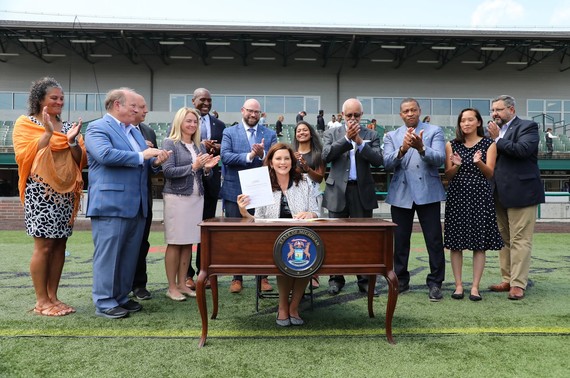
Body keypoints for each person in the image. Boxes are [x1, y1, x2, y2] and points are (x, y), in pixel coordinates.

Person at [85, 88, 171, 319]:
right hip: (111, 203)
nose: (137, 110)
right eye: (132, 105)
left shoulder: (133, 131)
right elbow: (105, 155)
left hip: (137, 203)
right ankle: (104, 301)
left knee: (129, 255)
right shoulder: (97, 127)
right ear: (116, 105)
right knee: (109, 254)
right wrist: (142, 156)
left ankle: (121, 297)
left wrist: (155, 161)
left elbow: (144, 164)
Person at [13, 77, 87, 317]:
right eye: (54, 98)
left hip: (65, 192)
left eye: (61, 98)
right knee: (43, 246)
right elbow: (26, 153)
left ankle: (53, 296)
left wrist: (73, 141)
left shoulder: (66, 127)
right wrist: (46, 132)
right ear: (40, 99)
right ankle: (41, 300)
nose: (59, 102)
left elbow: (79, 160)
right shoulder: (26, 123)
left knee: (60, 244)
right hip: (40, 191)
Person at [237, 143, 320, 326]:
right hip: (273, 238)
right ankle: (283, 306)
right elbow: (258, 220)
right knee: (283, 256)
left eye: (286, 158)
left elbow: (316, 211)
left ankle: (294, 307)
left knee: (307, 258)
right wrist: (244, 213)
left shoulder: (304, 181)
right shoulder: (263, 184)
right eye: (278, 159)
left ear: (292, 161)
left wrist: (310, 214)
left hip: (302, 234)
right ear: (271, 163)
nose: (283, 162)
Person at [383, 97, 446, 301]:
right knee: (400, 241)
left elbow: (439, 159)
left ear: (419, 111)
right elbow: (386, 163)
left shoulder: (434, 131)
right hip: (402, 193)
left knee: (434, 240)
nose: (410, 113)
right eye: (405, 111)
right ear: (401, 115)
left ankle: (436, 282)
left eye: (413, 110)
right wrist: (402, 149)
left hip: (427, 191)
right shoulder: (391, 135)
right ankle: (401, 280)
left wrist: (421, 148)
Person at [322, 98, 383, 296]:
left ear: (362, 116)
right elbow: (325, 156)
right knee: (335, 238)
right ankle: (335, 278)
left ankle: (364, 279)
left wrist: (360, 143)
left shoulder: (372, 134)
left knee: (363, 238)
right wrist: (347, 140)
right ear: (342, 116)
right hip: (337, 191)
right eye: (349, 115)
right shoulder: (331, 133)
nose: (353, 119)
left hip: (361, 191)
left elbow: (378, 161)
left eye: (357, 115)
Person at [487, 95, 545, 300]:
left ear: (511, 110)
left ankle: (519, 284)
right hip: (498, 193)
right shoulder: (493, 131)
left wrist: (497, 139)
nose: (495, 113)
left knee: (520, 239)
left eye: (499, 109)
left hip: (522, 192)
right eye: (493, 110)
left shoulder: (528, 127)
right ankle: (508, 278)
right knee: (504, 239)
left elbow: (522, 150)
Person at [444, 108, 503, 301]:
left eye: (470, 120)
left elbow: (490, 174)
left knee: (479, 245)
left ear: (478, 122)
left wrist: (478, 162)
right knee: (455, 244)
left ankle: (475, 287)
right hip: (457, 195)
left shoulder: (489, 144)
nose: (466, 124)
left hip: (480, 196)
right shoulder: (451, 145)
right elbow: (448, 176)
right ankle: (458, 285)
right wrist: (458, 164)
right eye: (463, 121)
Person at [162, 107, 220, 301]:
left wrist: (207, 169)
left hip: (196, 198)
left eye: (195, 122)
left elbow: (204, 174)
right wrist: (194, 166)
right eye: (188, 121)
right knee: (175, 242)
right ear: (180, 122)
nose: (192, 125)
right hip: (176, 198)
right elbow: (168, 171)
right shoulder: (170, 143)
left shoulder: (199, 146)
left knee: (188, 242)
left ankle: (182, 283)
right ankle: (171, 287)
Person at [220, 98, 278, 293]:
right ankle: (237, 277)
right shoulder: (229, 132)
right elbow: (225, 157)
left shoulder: (269, 134)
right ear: (242, 110)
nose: (253, 115)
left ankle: (263, 277)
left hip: (261, 191)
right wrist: (250, 156)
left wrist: (262, 155)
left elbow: (275, 159)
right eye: (250, 111)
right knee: (236, 235)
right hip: (234, 191)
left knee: (262, 235)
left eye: (257, 112)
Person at [184, 88, 226, 291]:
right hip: (187, 181)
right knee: (187, 228)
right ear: (194, 101)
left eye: (209, 100)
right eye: (202, 100)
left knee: (206, 229)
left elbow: (226, 151)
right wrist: (200, 144)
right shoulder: (183, 121)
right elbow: (177, 144)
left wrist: (217, 149)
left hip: (210, 180)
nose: (206, 103)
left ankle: (204, 271)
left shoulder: (220, 125)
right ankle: (186, 275)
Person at [131, 93, 158, 301]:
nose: (146, 111)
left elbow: (153, 169)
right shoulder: (118, 131)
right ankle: (119, 286)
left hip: (144, 195)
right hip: (124, 196)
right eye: (142, 107)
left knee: (143, 242)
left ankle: (140, 284)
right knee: (122, 244)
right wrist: (142, 152)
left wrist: (156, 160)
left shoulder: (148, 130)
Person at [292, 121, 325, 288]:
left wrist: (306, 167)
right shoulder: (291, 153)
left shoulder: (318, 153)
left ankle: (314, 274)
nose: (301, 133)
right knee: (297, 232)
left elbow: (320, 178)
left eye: (305, 130)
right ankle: (295, 268)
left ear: (311, 133)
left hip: (314, 197)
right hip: (295, 197)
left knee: (314, 235)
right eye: (298, 131)